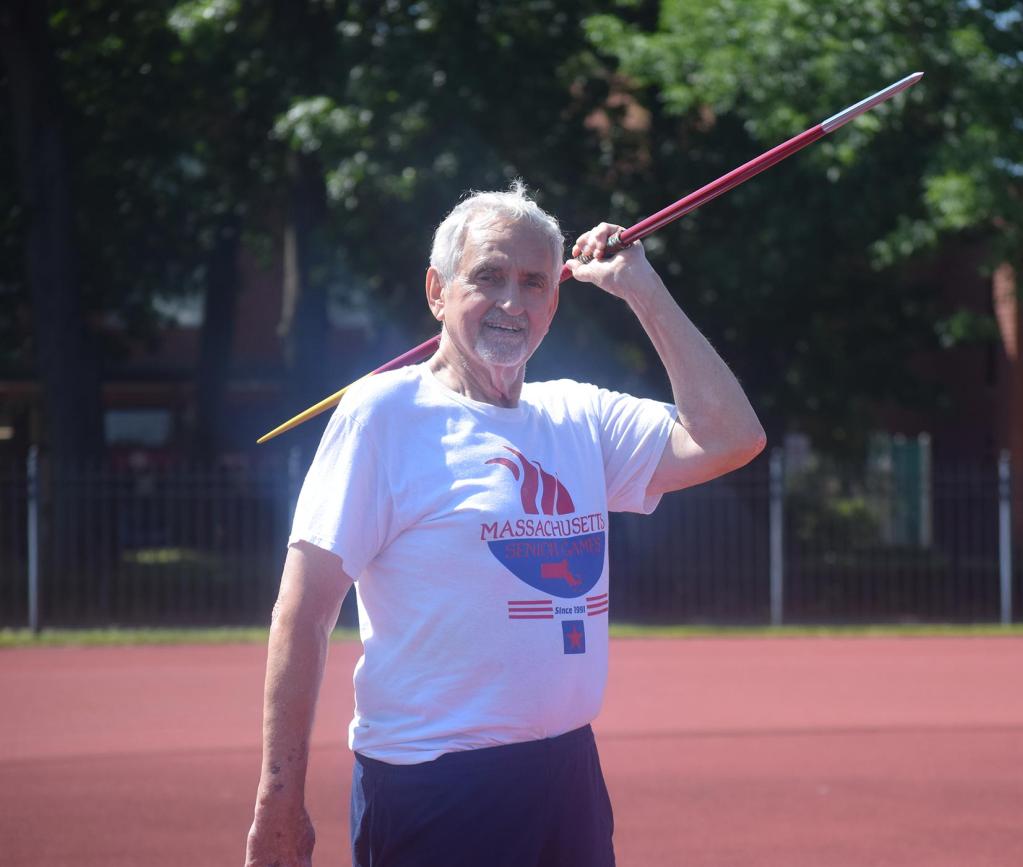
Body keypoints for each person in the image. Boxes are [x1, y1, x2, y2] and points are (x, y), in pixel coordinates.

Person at [244, 182, 765, 867]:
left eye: (534, 281)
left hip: (567, 776)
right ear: (437, 289)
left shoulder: (578, 415)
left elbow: (732, 435)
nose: (513, 303)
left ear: (557, 296)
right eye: (489, 276)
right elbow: (303, 613)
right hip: (434, 785)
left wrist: (643, 289)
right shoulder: (385, 415)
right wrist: (279, 798)